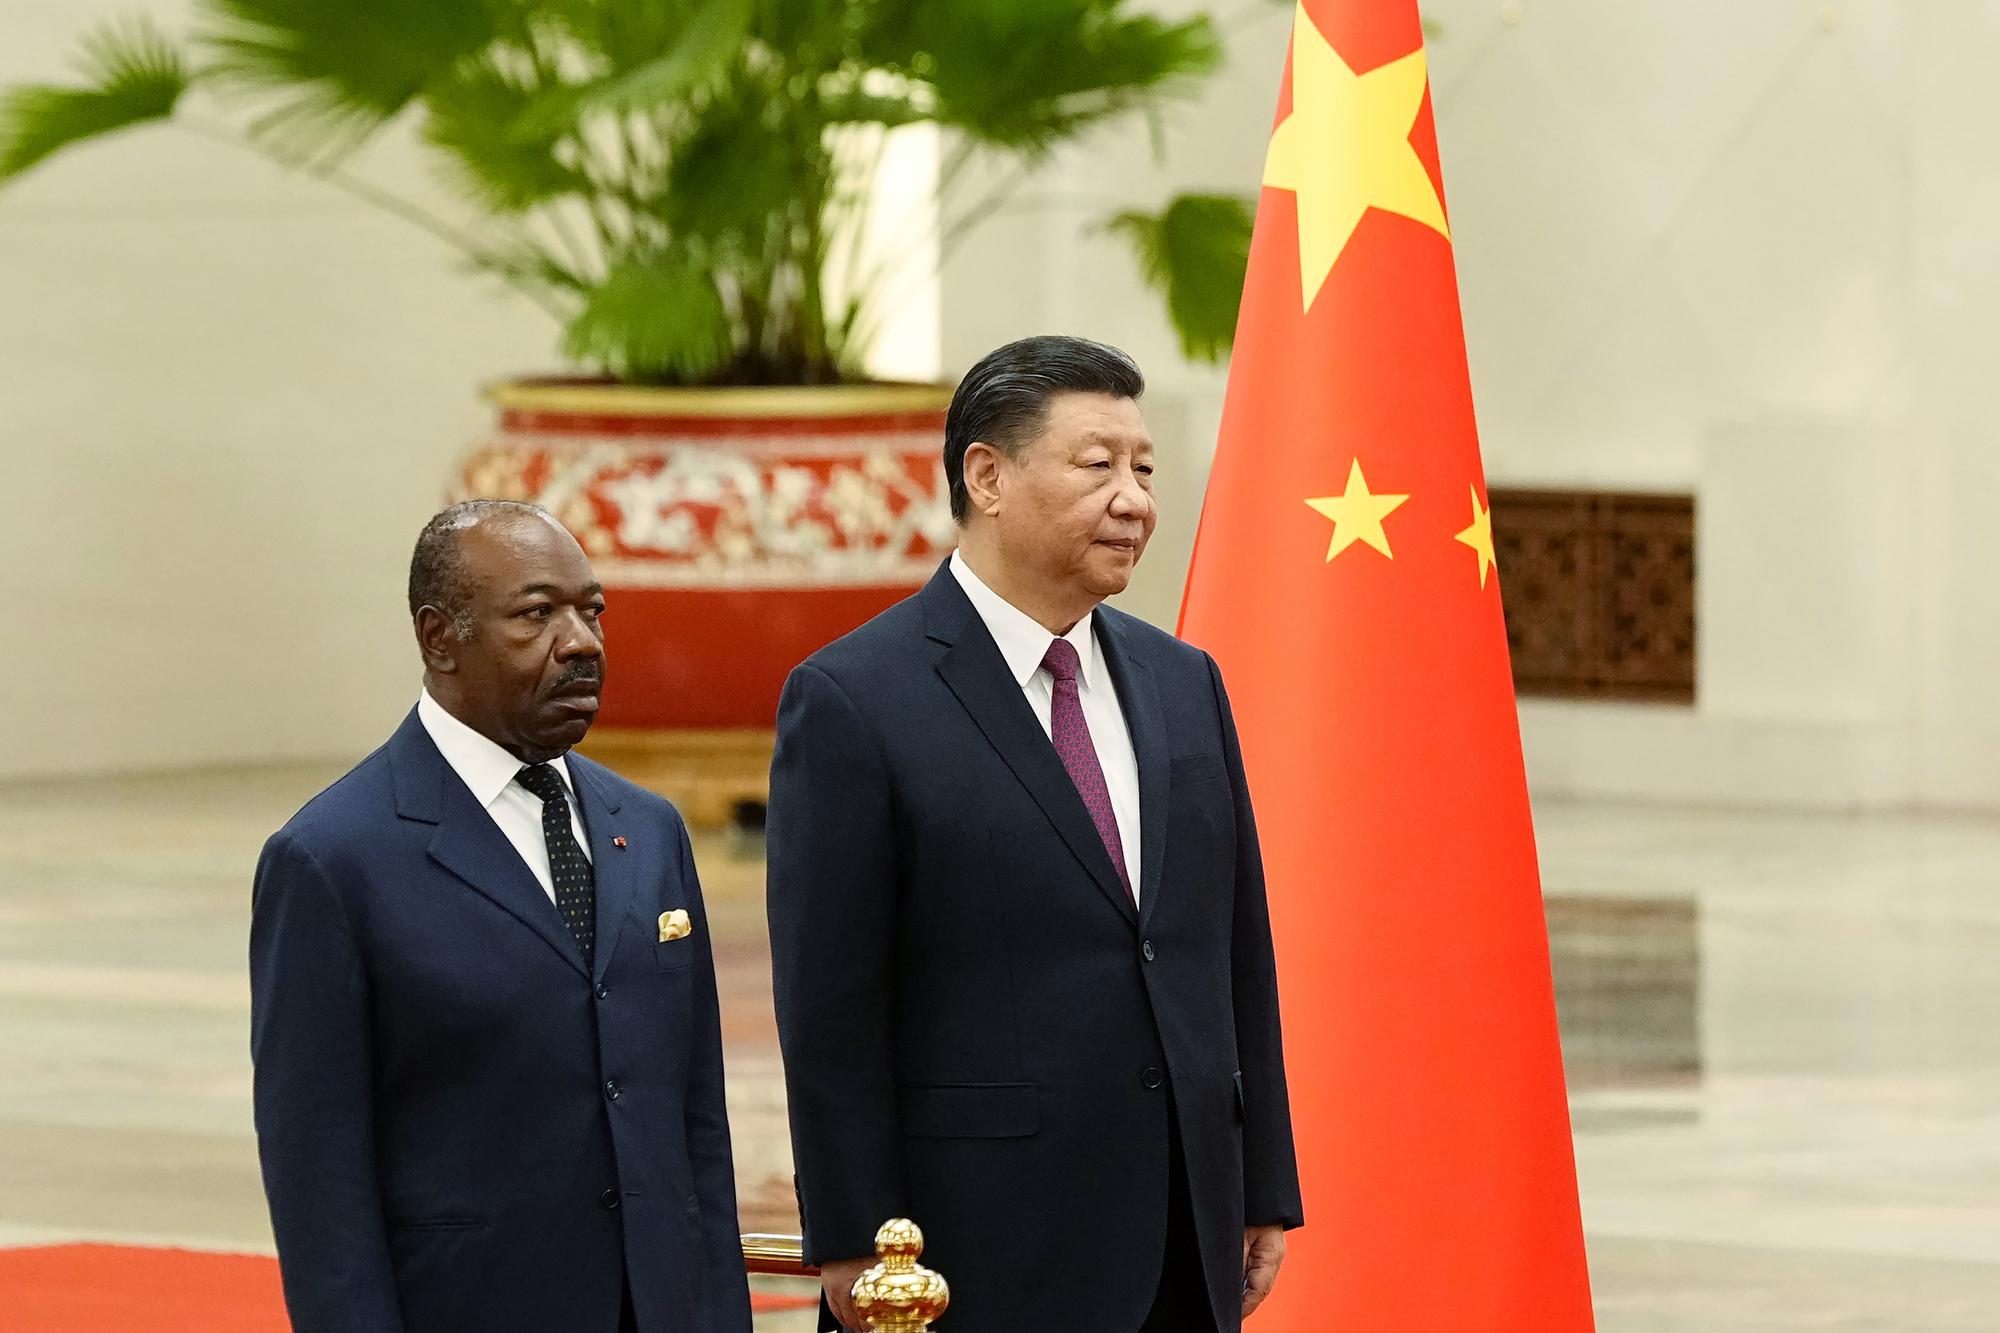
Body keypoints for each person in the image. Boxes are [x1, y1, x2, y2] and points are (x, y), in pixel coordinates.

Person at [766, 335, 1304, 1332]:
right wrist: (851, 1235)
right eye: (1096, 464)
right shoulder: (854, 698)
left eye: (1143, 468)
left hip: (1183, 1227)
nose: (1134, 499)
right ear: (987, 474)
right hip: (974, 1243)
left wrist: (1260, 1177)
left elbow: (1233, 949)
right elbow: (830, 1001)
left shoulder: (1183, 682)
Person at [249, 501, 752, 1333]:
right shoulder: (333, 858)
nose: (582, 642)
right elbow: (318, 1178)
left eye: (592, 612)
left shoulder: (649, 828)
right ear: (439, 636)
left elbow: (693, 1115)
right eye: (536, 614)